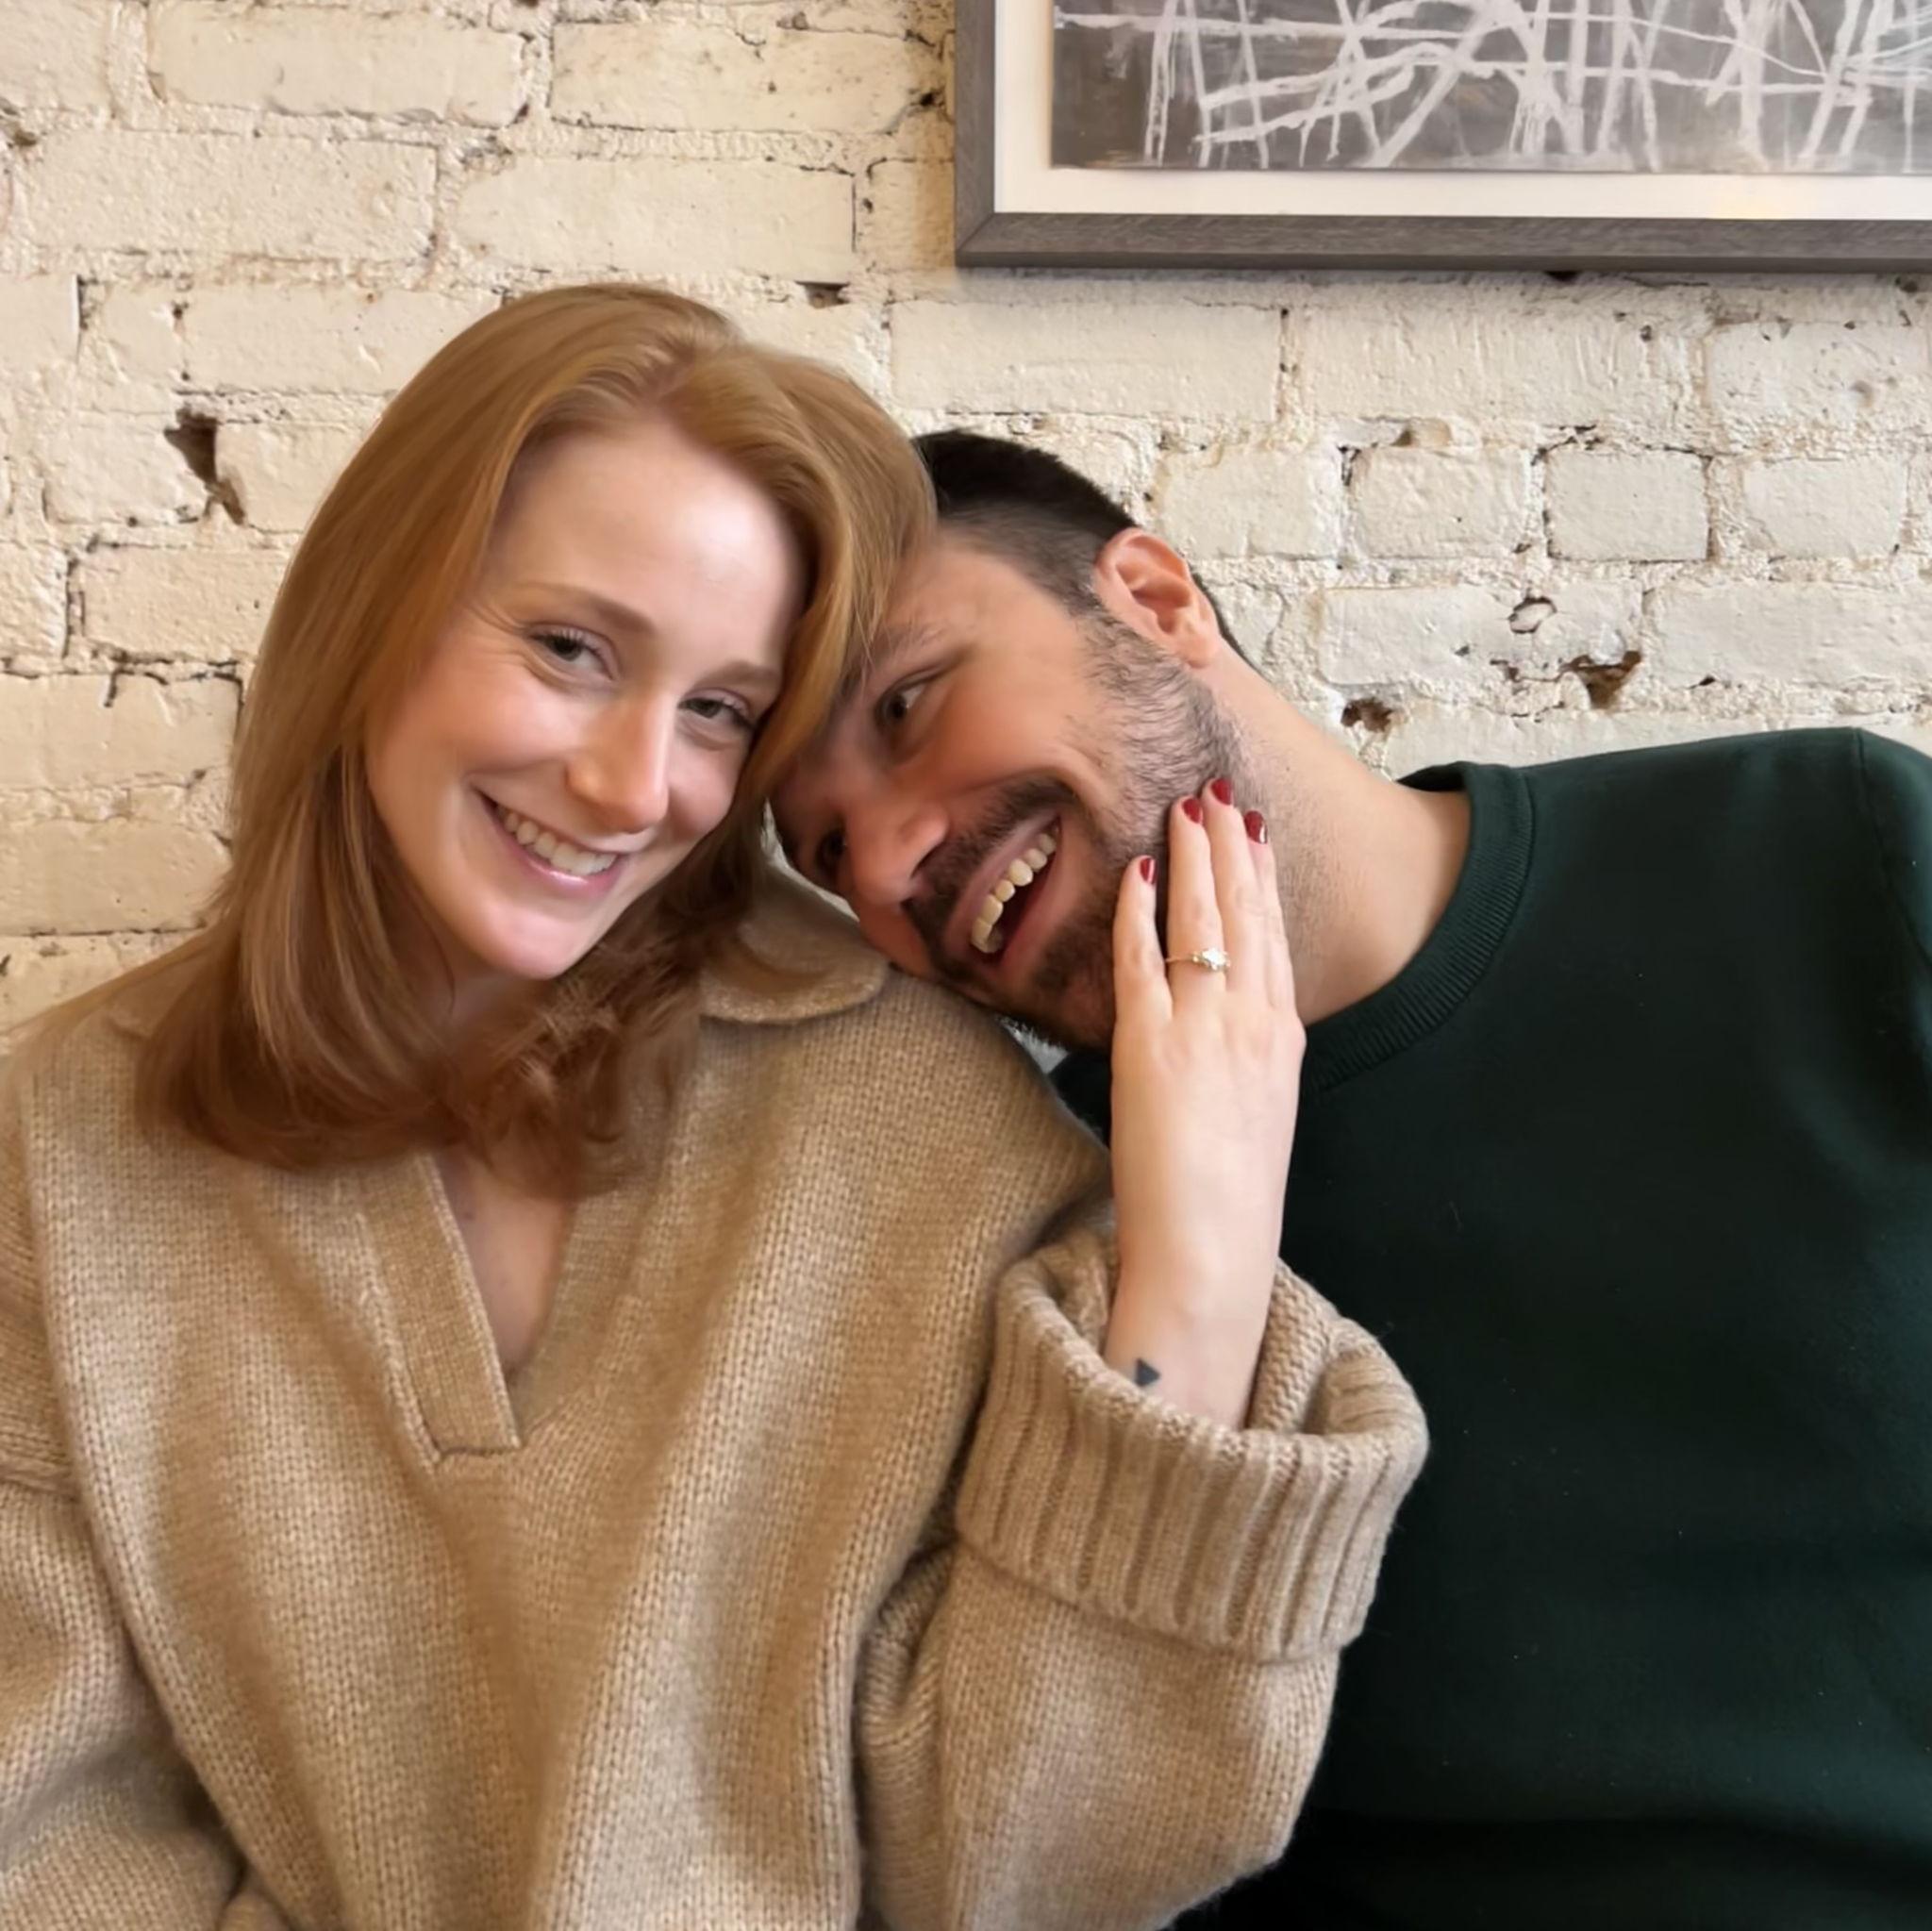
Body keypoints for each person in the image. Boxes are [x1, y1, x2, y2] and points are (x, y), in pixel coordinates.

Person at [0, 289, 1425, 1930]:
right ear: (374, 610)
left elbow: (1051, 1856)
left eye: (719, 711)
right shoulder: (63, 1145)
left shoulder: (915, 1114)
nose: (631, 787)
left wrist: (1200, 1258)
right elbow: (46, 1837)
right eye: (570, 650)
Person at [773, 428, 1932, 1930]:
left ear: (1156, 601)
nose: (885, 866)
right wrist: (1191, 1266)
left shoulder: (1833, 857)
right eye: (824, 855)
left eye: (907, 704)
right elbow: (1031, 1861)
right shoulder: (1017, 1239)